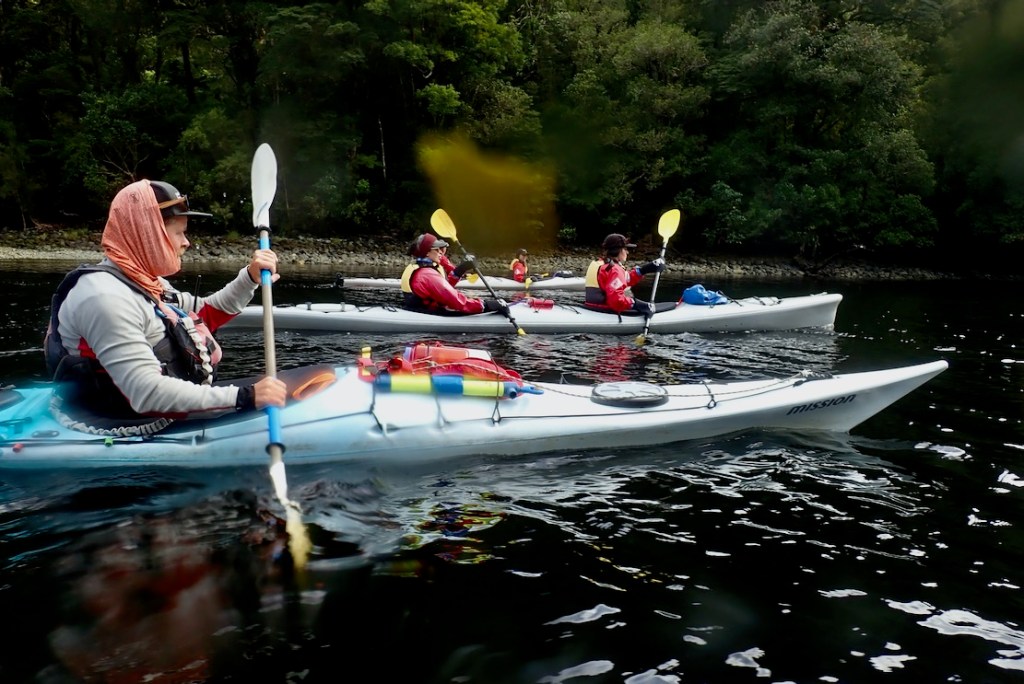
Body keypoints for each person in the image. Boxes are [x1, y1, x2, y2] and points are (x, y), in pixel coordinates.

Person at [44, 179, 287, 435]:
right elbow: (146, 394)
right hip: (116, 420)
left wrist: (249, 278)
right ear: (148, 234)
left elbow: (204, 314)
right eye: (179, 233)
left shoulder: (145, 281)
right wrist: (244, 397)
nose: (186, 242)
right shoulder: (103, 298)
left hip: (152, 408)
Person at [401, 233, 509, 316]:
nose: (441, 252)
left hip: (422, 311)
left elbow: (444, 288)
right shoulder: (427, 274)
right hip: (430, 314)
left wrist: (461, 269)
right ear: (427, 252)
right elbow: (454, 300)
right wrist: (485, 305)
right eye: (437, 249)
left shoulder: (423, 269)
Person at [583, 233, 668, 316]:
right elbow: (616, 301)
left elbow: (625, 279)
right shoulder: (615, 269)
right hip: (605, 311)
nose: (627, 252)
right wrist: (636, 304)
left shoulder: (601, 263)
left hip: (592, 307)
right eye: (625, 249)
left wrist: (644, 269)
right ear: (618, 250)